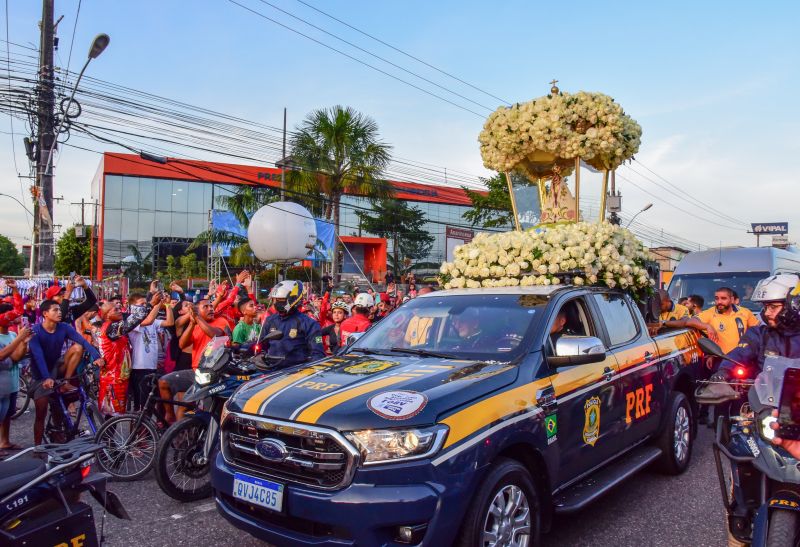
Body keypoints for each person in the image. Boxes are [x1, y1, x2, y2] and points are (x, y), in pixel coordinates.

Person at [28, 299, 105, 445]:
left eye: (60, 309)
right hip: (40, 376)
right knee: (41, 412)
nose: (60, 312)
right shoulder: (35, 331)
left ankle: (66, 383)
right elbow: (38, 357)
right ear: (45, 314)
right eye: (55, 310)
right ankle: (37, 447)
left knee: (77, 348)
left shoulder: (63, 327)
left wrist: (97, 357)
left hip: (58, 369)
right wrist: (46, 378)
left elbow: (82, 341)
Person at [716, 275, 800, 378]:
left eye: (773, 307)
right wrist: (725, 370)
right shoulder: (759, 334)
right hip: (765, 393)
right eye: (765, 307)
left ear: (794, 305)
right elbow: (739, 354)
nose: (767, 313)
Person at [96, 292, 163, 414]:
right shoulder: (111, 328)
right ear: (106, 315)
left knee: (120, 414)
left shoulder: (114, 326)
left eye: (119, 308)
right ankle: (105, 434)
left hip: (120, 377)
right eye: (115, 309)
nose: (119, 310)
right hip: (113, 379)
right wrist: (151, 304)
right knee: (112, 415)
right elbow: (133, 321)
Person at [260, 281, 325, 368]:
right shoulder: (270, 320)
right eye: (275, 299)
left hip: (295, 373)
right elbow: (261, 345)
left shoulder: (309, 323)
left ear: (293, 299)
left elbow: (317, 354)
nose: (276, 303)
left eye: (281, 300)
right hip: (270, 371)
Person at [127, 291, 174, 411]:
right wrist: (157, 304)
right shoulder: (132, 320)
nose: (144, 306)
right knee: (141, 406)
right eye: (141, 304)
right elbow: (148, 321)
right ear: (133, 307)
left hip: (152, 367)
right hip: (139, 368)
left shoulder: (152, 321)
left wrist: (167, 305)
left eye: (145, 304)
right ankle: (137, 429)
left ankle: (148, 429)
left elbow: (170, 322)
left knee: (150, 405)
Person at [0, 311, 30, 456]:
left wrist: (23, 343)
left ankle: (4, 441)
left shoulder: (12, 336)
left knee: (7, 415)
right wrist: (19, 339)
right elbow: (1, 356)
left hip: (11, 383)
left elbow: (16, 357)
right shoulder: (12, 337)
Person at [696, 287, 759, 354]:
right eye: (717, 298)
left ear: (732, 300)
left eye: (723, 298)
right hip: (721, 358)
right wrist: (707, 326)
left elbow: (757, 332)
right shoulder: (710, 313)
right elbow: (687, 321)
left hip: (743, 357)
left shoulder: (745, 312)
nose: (719, 302)